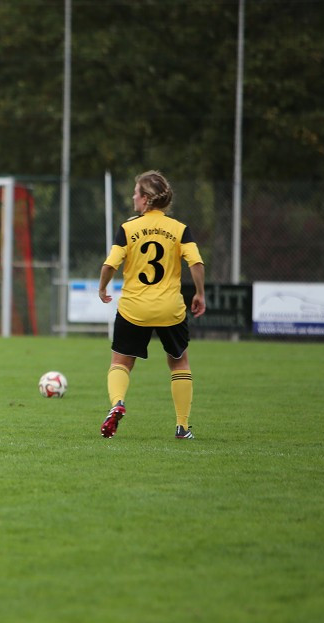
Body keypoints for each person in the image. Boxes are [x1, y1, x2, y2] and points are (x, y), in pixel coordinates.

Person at [98, 170, 206, 439]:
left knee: (121, 362)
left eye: (136, 193)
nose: (133, 197)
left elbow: (111, 264)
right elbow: (196, 263)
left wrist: (102, 287)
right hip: (170, 308)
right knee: (179, 363)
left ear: (145, 199)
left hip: (135, 308)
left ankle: (117, 403)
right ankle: (182, 426)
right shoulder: (180, 229)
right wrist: (200, 293)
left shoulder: (128, 228)